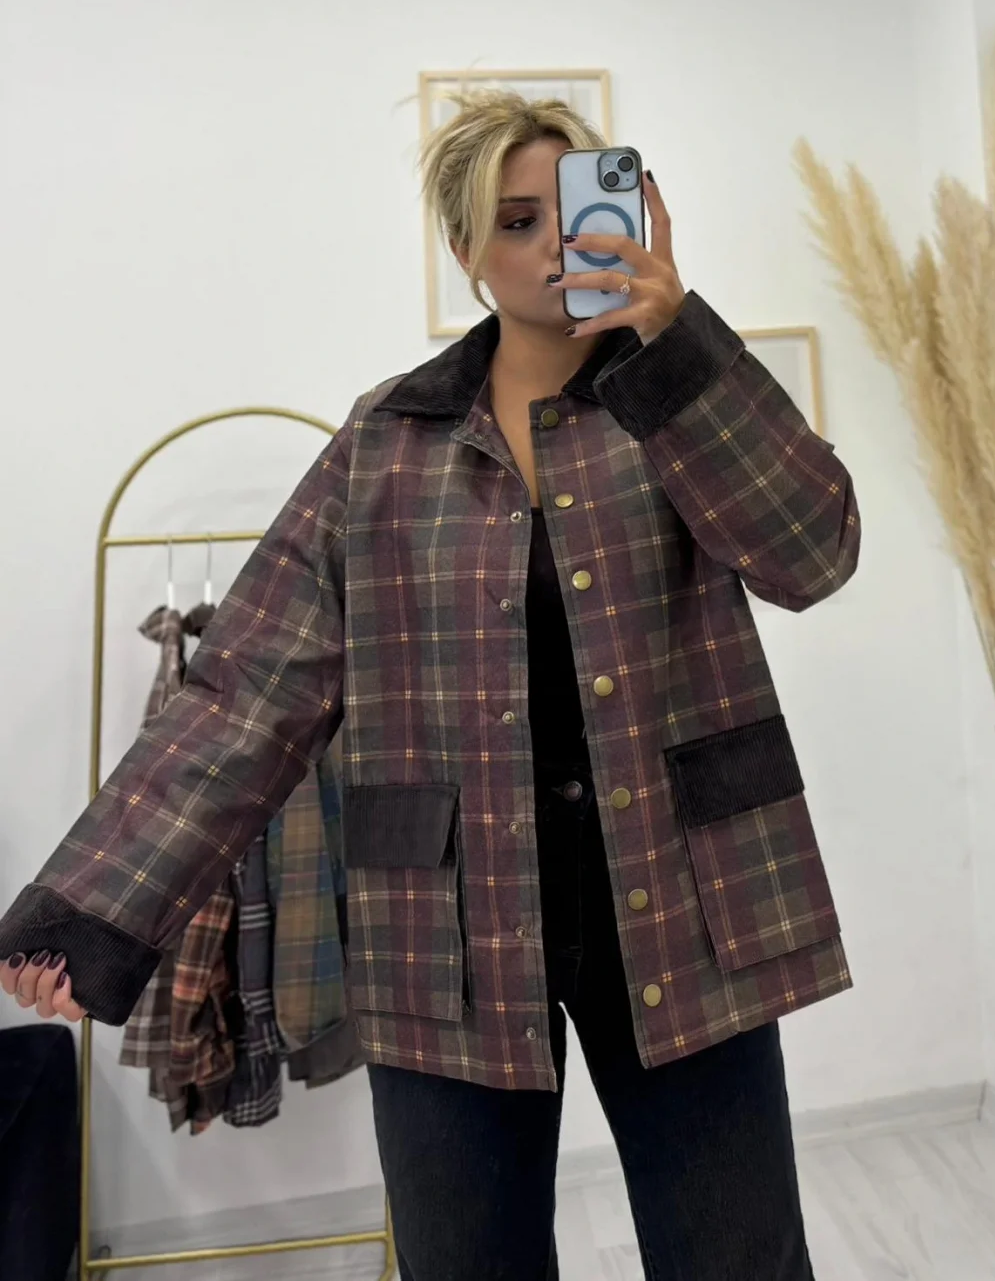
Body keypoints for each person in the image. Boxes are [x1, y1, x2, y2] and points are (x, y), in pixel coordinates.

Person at [0, 90, 861, 1280]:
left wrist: (680, 335)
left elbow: (812, 553)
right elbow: (247, 686)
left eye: (573, 208)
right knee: (465, 1258)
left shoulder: (675, 398)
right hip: (443, 915)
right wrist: (91, 913)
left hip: (680, 882)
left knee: (737, 1253)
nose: (554, 241)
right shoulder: (388, 441)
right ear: (464, 251)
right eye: (515, 220)